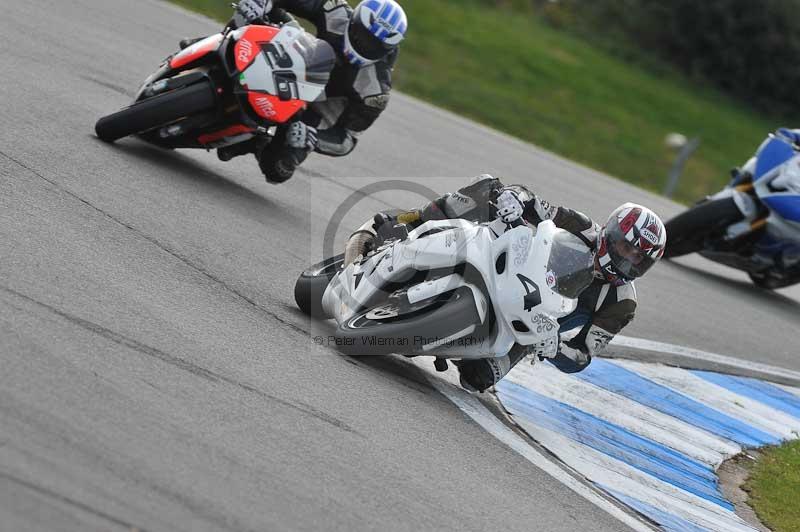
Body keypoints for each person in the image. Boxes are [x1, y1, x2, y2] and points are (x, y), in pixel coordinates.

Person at [343, 175, 667, 392]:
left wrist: (555, 349)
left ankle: (446, 335)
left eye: (637, 258)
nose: (626, 259)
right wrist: (515, 197)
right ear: (611, 232)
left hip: (529, 333)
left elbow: (582, 356)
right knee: (487, 186)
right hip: (513, 275)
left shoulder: (622, 303)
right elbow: (538, 205)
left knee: (478, 379)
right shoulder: (580, 226)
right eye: (626, 247)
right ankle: (409, 223)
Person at [197, 0, 407, 182]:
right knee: (257, 13)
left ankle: (254, 142)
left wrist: (313, 137)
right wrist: (263, 3)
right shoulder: (336, 11)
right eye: (363, 35)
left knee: (279, 169)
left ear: (387, 49)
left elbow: (347, 138)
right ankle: (210, 47)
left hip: (319, 103)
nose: (365, 45)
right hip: (299, 57)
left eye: (374, 45)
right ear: (354, 21)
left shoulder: (376, 90)